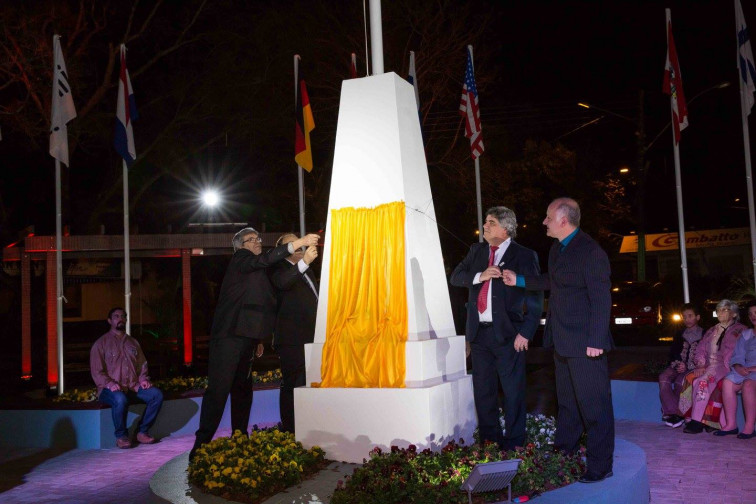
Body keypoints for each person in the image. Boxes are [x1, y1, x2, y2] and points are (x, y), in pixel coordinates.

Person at [502, 197, 615, 483]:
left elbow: (602, 299)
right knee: (567, 402)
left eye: (548, 218)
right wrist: (520, 280)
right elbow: (554, 281)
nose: (544, 222)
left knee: (594, 407)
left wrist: (596, 340)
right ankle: (566, 449)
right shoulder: (557, 248)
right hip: (563, 340)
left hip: (587, 344)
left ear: (563, 220)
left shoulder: (591, 252)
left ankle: (601, 465)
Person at [189, 228, 319, 460]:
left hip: (247, 338)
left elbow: (264, 298)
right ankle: (200, 447)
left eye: (259, 239)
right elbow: (266, 260)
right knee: (218, 391)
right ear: (240, 245)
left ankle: (240, 438)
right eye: (252, 240)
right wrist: (298, 243)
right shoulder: (242, 259)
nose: (258, 242)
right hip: (229, 336)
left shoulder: (259, 268)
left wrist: (258, 338)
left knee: (242, 391)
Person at [450, 206, 543, 451]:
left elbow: (535, 297)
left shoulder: (524, 255)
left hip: (510, 336)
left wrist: (527, 331)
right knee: (484, 392)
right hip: (479, 335)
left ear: (505, 228)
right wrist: (479, 275)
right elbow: (455, 277)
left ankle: (514, 445)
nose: (485, 226)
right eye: (486, 221)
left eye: (490, 222)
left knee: (513, 393)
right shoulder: (476, 251)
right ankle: (490, 443)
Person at [90, 308, 164, 449]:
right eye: (116, 316)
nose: (120, 319)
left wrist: (143, 379)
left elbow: (142, 364)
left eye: (123, 316)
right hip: (109, 390)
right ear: (110, 321)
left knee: (156, 395)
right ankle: (121, 436)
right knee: (120, 399)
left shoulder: (133, 342)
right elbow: (96, 371)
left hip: (132, 387)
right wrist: (110, 384)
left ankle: (142, 432)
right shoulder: (101, 344)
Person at [269, 232, 319, 434]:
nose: (299, 246)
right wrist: (304, 262)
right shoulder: (277, 269)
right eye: (292, 244)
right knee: (293, 384)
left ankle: (309, 425)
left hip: (312, 337)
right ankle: (290, 429)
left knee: (310, 383)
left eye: (299, 242)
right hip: (291, 339)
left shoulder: (307, 270)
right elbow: (283, 283)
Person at [680, 299, 745, 434]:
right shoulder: (712, 330)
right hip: (710, 365)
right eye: (718, 310)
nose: (720, 313)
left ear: (733, 314)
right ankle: (694, 418)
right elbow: (700, 349)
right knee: (691, 379)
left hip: (727, 366)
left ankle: (697, 421)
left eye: (724, 310)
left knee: (702, 382)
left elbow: (740, 352)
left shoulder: (740, 330)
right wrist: (701, 364)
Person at [714, 299, 756, 439]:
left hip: (754, 372)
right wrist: (738, 367)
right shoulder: (747, 334)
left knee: (748, 384)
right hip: (746, 370)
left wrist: (752, 368)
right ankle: (731, 424)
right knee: (728, 382)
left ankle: (749, 427)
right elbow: (737, 355)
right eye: (750, 314)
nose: (753, 316)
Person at [658, 303, 703, 428]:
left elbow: (704, 354)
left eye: (690, 316)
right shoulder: (679, 333)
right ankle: (672, 412)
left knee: (680, 381)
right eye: (684, 317)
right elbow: (673, 352)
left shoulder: (705, 334)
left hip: (694, 368)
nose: (687, 319)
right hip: (678, 365)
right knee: (663, 377)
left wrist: (688, 367)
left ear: (697, 317)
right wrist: (678, 363)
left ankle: (680, 413)